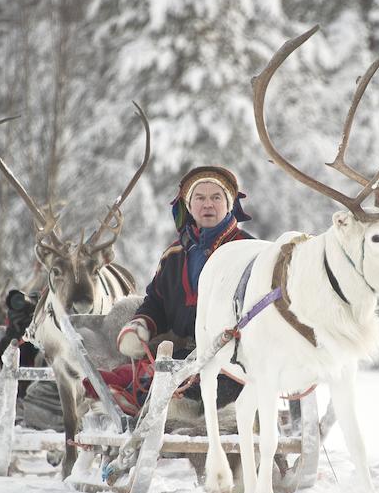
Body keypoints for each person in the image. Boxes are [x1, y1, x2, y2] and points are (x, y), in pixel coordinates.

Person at [87, 166, 255, 414]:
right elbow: (156, 300)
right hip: (181, 353)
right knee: (134, 380)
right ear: (189, 206)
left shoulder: (249, 250)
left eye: (216, 197)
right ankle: (141, 401)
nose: (208, 204)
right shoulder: (174, 254)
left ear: (229, 204)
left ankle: (162, 405)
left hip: (233, 357)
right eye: (200, 198)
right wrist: (141, 325)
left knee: (175, 394)